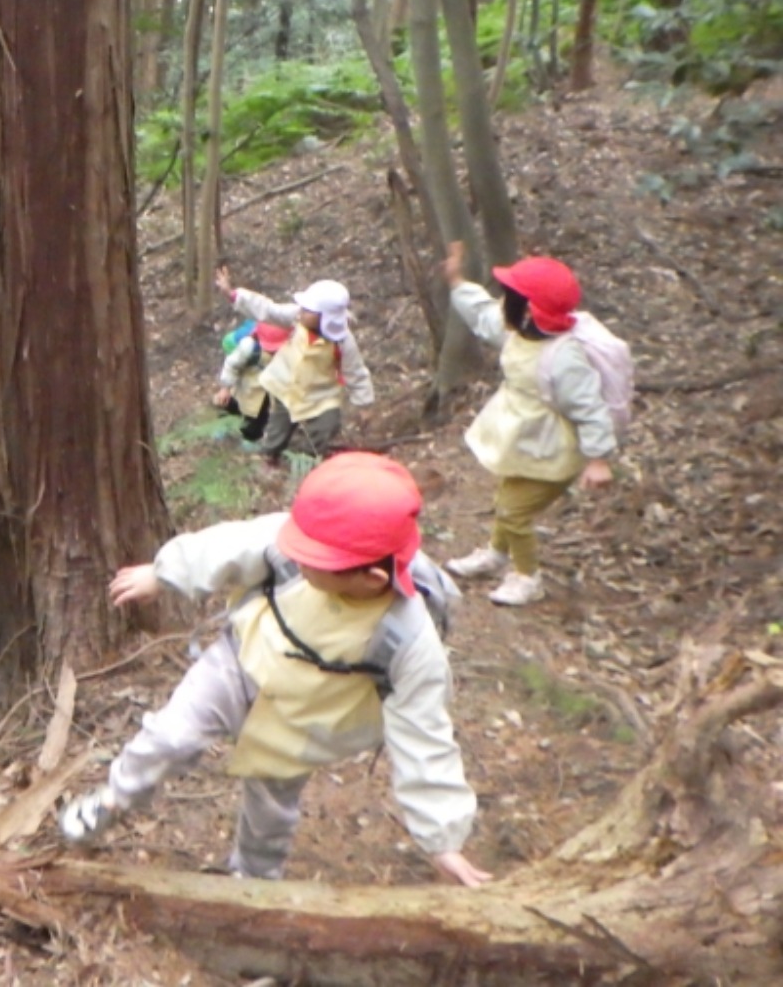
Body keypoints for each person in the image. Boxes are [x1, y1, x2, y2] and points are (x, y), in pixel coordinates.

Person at [58, 453, 487, 888]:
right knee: (170, 736)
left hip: (303, 721)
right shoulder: (297, 538)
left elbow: (424, 734)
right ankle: (116, 797)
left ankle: (255, 881)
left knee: (270, 812)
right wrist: (164, 573)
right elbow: (227, 545)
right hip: (240, 662)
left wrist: (442, 838)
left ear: (372, 579)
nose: (296, 556)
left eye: (313, 560)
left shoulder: (408, 640)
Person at [440, 242, 618, 608]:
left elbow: (590, 408)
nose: (502, 303)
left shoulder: (564, 358)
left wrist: (598, 459)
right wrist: (458, 282)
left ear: (530, 310)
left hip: (551, 449)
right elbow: (483, 315)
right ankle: (496, 553)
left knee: (514, 511)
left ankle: (527, 576)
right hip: (522, 436)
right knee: (507, 497)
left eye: (510, 297)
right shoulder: (517, 331)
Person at [215, 266, 374, 469]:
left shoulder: (342, 341)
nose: (302, 311)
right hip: (287, 386)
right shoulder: (296, 318)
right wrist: (234, 295)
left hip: (321, 394)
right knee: (278, 427)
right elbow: (268, 310)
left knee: (327, 426)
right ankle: (269, 456)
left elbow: (355, 372)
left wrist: (364, 404)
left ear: (324, 317)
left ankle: (315, 459)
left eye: (308, 310)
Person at [215, 321, 293, 446]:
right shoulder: (249, 346)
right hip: (245, 382)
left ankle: (250, 438)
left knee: (258, 416)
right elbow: (231, 366)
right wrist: (225, 388)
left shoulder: (289, 349)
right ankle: (223, 426)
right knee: (232, 405)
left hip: (264, 390)